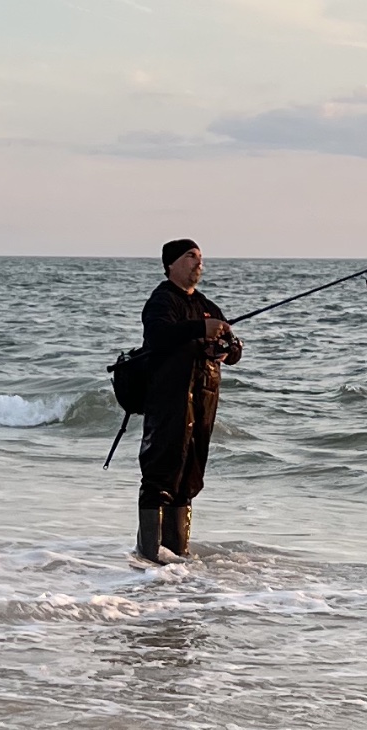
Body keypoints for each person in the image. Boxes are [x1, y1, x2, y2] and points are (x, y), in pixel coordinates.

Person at [135, 238, 242, 565]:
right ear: (171, 264)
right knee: (160, 476)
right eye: (191, 257)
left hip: (204, 400)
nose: (199, 263)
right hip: (168, 401)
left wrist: (229, 347)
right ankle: (149, 557)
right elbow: (158, 336)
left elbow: (233, 349)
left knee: (189, 477)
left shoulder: (207, 304)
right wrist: (200, 329)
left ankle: (177, 557)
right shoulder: (161, 301)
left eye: (200, 258)